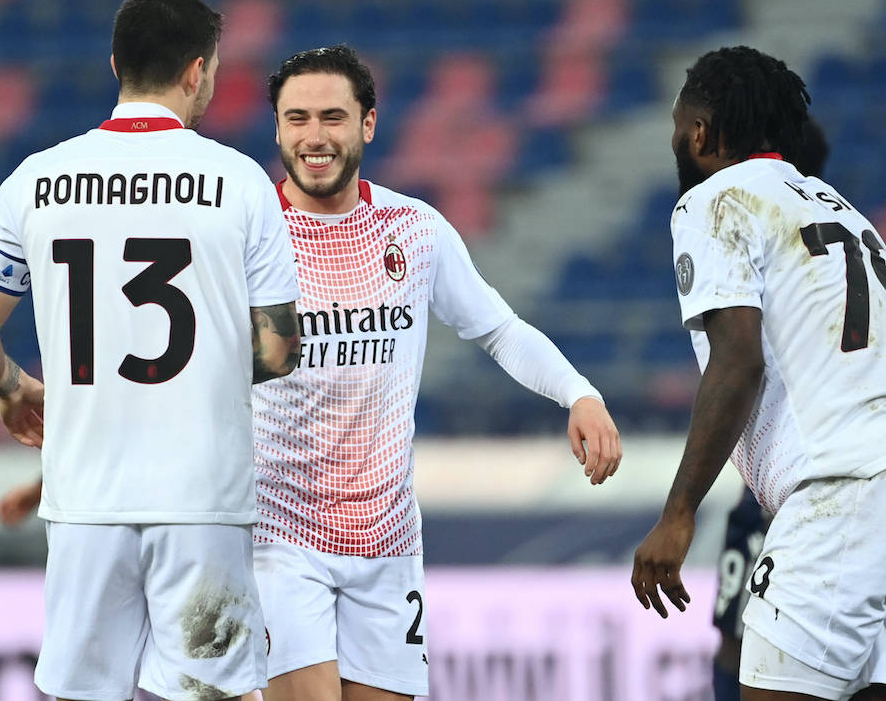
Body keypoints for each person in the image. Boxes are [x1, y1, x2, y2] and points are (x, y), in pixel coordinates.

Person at [0, 0, 301, 701]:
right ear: (198, 70)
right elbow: (278, 352)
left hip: (85, 499)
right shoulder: (240, 184)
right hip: (202, 499)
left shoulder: (36, 182)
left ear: (116, 65)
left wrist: (16, 390)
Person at [245, 45, 621, 701]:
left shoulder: (413, 231)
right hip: (278, 535)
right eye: (297, 118)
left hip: (388, 541)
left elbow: (499, 328)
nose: (314, 136)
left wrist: (578, 393)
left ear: (367, 123)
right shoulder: (246, 238)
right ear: (276, 128)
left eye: (333, 117)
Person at [630, 46, 886, 701]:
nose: (676, 141)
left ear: (700, 134)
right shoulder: (838, 205)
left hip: (850, 485)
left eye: (679, 127)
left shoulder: (715, 200)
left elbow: (739, 359)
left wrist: (678, 514)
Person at [710, 117, 829, 701]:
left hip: (800, 485)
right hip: (851, 477)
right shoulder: (844, 248)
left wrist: (680, 512)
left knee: (740, 647)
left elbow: (738, 364)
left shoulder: (747, 237)